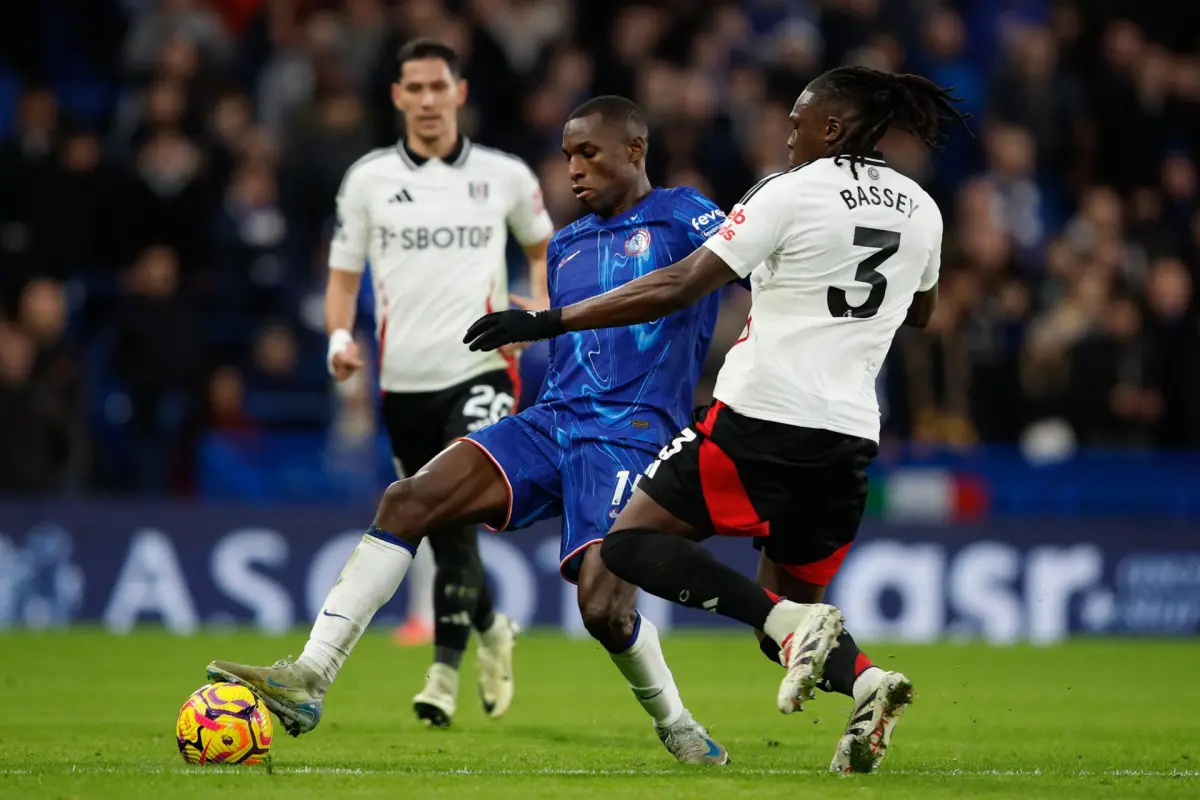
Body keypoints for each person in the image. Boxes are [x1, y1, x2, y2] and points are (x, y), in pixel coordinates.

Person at [464, 66, 971, 774]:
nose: (788, 136)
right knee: (787, 626)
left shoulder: (787, 193)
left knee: (628, 548)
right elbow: (920, 309)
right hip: (850, 436)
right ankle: (868, 685)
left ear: (833, 127)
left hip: (760, 417)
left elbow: (680, 283)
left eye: (797, 123)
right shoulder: (922, 208)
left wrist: (550, 319)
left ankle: (792, 626)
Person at [208, 94, 737, 764]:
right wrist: (523, 327)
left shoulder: (685, 213)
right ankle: (310, 677)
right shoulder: (569, 241)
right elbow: (583, 335)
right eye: (567, 154)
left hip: (631, 434)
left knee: (603, 610)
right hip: (553, 420)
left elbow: (712, 279)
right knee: (409, 500)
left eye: (589, 153)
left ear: (635, 149)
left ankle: (678, 726)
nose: (572, 168)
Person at [321, 39, 555, 728]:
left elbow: (544, 250)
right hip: (404, 382)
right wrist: (339, 337)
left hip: (482, 368)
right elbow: (342, 276)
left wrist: (536, 318)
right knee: (437, 523)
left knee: (452, 513)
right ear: (397, 97)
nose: (426, 100)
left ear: (459, 92)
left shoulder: (504, 175)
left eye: (437, 87)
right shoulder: (366, 180)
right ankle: (492, 626)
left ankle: (443, 677)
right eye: (413, 89)